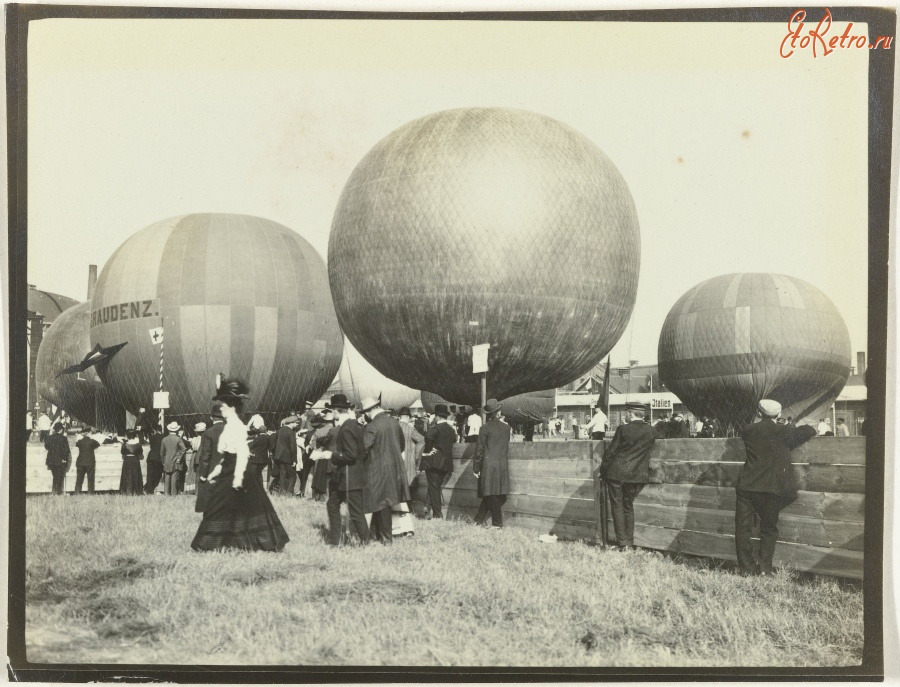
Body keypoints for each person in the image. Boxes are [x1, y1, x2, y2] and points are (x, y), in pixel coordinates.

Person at [192, 377, 289, 552]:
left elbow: (242, 453)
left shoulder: (236, 425)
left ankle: (220, 543)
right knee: (234, 507)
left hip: (239, 471)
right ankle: (234, 543)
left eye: (224, 406)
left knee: (224, 506)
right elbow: (227, 454)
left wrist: (237, 478)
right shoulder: (231, 425)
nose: (222, 408)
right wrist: (217, 469)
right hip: (230, 468)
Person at [735, 399, 816, 576]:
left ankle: (746, 569)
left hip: (747, 485)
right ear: (778, 415)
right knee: (769, 529)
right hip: (771, 488)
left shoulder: (748, 430)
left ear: (758, 413)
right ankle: (765, 568)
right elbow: (809, 430)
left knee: (743, 528)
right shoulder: (784, 432)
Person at [598, 402, 660, 549]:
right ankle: (630, 543)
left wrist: (603, 471)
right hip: (636, 476)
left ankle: (622, 544)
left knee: (617, 507)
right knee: (628, 507)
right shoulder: (652, 431)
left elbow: (610, 453)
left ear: (630, 414)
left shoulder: (622, 429)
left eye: (627, 413)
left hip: (616, 474)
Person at [360, 396, 411, 544]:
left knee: (378, 503)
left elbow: (363, 449)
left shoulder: (371, 426)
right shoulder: (394, 423)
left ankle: (382, 538)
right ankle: (384, 537)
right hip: (394, 470)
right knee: (386, 503)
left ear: (369, 412)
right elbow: (401, 446)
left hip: (376, 470)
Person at [325, 394, 372, 546]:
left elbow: (350, 455)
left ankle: (365, 541)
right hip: (351, 476)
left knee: (355, 511)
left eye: (331, 410)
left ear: (335, 411)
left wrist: (330, 454)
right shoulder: (354, 425)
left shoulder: (345, 429)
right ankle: (336, 540)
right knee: (333, 504)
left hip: (348, 477)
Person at [471, 398, 511, 528]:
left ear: (488, 414)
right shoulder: (506, 428)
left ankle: (497, 523)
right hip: (502, 465)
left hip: (488, 466)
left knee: (490, 493)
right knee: (493, 493)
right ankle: (478, 519)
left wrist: (476, 468)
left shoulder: (484, 428)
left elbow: (479, 450)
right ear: (498, 412)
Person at [421, 403, 456, 519]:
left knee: (434, 487)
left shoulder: (435, 429)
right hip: (447, 464)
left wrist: (429, 451)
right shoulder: (451, 430)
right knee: (435, 486)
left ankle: (437, 514)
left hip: (434, 463)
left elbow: (427, 438)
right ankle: (427, 506)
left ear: (437, 416)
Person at [195, 404, 226, 513]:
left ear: (211, 417)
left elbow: (206, 456)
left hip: (211, 471)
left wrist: (203, 475)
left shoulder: (208, 433)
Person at [270, 415, 299, 495]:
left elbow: (273, 445)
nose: (297, 425)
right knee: (292, 476)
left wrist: (276, 454)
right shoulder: (291, 432)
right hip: (288, 457)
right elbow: (292, 447)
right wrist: (294, 460)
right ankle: (289, 493)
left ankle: (282, 493)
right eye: (296, 423)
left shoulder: (279, 431)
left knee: (282, 475)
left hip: (279, 457)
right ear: (291, 423)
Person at [398, 407, 425, 489]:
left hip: (394, 459)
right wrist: (416, 455)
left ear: (400, 417)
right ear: (408, 417)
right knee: (408, 483)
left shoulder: (392, 428)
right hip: (408, 459)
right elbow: (422, 441)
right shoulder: (410, 429)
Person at [161, 421, 188, 496]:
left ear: (169, 430)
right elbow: (184, 449)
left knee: (167, 476)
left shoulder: (164, 439)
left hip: (166, 460)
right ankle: (173, 493)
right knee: (174, 476)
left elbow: (162, 452)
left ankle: (166, 493)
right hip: (175, 460)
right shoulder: (178, 439)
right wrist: (179, 458)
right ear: (176, 430)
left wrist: (163, 461)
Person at [44, 423, 71, 495]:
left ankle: (54, 491)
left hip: (51, 460)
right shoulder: (63, 438)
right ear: (61, 430)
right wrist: (64, 459)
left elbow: (46, 447)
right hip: (60, 460)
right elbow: (66, 450)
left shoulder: (49, 437)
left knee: (55, 476)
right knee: (59, 477)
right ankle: (58, 492)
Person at [119, 430, 144, 495]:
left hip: (127, 460)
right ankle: (136, 491)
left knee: (127, 475)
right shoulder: (138, 445)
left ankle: (127, 491)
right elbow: (140, 452)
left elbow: (122, 452)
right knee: (136, 475)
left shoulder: (125, 444)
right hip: (135, 460)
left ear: (128, 436)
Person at [143, 428, 164, 494]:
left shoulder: (152, 437)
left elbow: (151, 447)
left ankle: (149, 489)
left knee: (150, 474)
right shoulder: (164, 437)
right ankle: (152, 487)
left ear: (155, 430)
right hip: (158, 458)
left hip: (151, 456)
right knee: (157, 474)